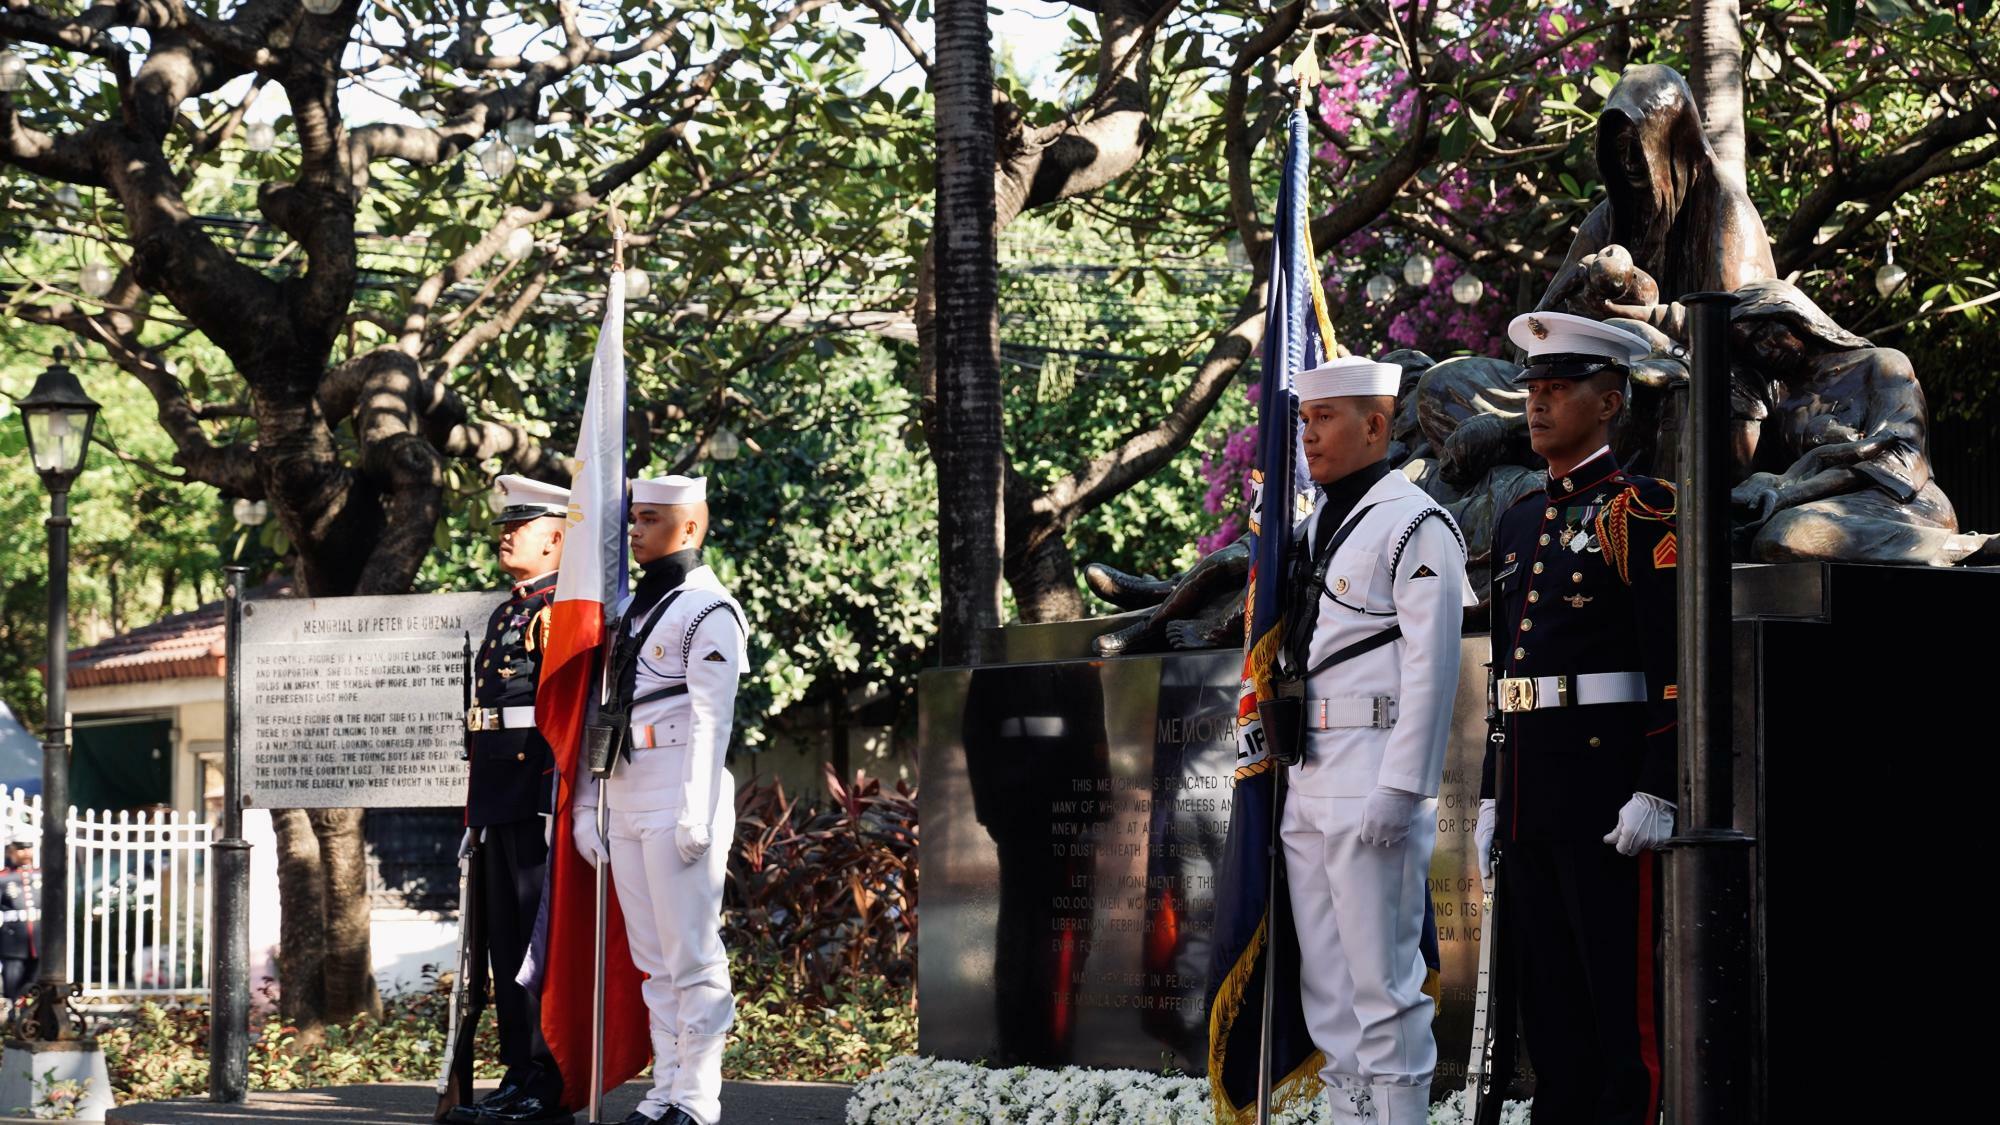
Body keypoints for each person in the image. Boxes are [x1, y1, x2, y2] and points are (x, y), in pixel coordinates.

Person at [1477, 311, 1679, 1125]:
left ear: (1609, 401)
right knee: (1548, 1008)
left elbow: (1671, 661)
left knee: (1615, 1004)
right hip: (1531, 790)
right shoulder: (1522, 517)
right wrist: (1495, 789)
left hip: (1605, 792)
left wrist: (1658, 786)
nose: (1538, 403)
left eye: (1559, 390)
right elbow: (1506, 674)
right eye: (1533, 389)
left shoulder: (1641, 509)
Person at [1276, 355, 1473, 1124]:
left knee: (1383, 988)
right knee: (1327, 988)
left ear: (1376, 425)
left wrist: (1406, 785)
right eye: (1303, 420)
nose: (1309, 436)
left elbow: (1433, 666)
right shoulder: (1308, 527)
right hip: (1308, 769)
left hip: (1373, 769)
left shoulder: (1416, 521)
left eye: (1324, 418)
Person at [573, 475, 745, 1125]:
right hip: (627, 788)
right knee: (653, 963)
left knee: (692, 956)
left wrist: (697, 810)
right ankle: (665, 1091)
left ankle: (697, 1100)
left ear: (691, 527)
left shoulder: (709, 609)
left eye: (650, 518)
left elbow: (711, 719)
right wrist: (592, 801)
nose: (635, 530)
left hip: (679, 789)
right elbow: (603, 711)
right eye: (634, 518)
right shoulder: (632, 610)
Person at [452, 474, 572, 1125]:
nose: (505, 535)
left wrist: (557, 799)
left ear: (556, 538)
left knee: (536, 944)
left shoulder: (557, 611)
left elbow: (559, 713)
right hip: (498, 801)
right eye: (504, 525)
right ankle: (518, 1070)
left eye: (517, 526)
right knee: (504, 945)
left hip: (535, 801)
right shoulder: (509, 612)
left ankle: (547, 1080)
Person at [0, 835, 38, 1002]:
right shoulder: (3, 878)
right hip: (12, 938)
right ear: (11, 852)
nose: (25, 853)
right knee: (13, 979)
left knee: (35, 979)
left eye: (28, 848)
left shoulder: (40, 875)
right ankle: (13, 1011)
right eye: (20, 849)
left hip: (38, 936)